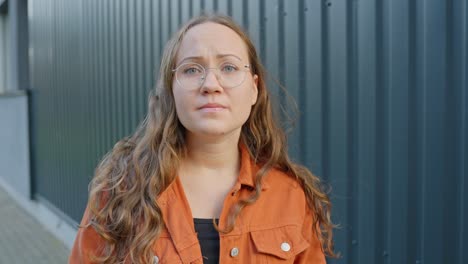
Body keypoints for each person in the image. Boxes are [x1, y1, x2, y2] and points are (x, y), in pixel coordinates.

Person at [69, 14, 335, 264]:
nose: (210, 83)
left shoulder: (289, 195)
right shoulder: (120, 191)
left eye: (229, 67)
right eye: (192, 69)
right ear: (171, 89)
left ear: (254, 89)